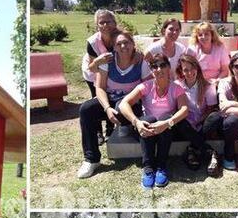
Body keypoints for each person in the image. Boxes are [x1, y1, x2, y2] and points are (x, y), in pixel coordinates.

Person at [77, 30, 151, 179]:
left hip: (131, 103)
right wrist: (107, 108)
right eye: (119, 44)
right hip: (110, 102)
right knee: (86, 109)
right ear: (114, 47)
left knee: (122, 109)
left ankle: (131, 129)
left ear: (133, 44)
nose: (123, 46)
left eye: (127, 42)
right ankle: (92, 159)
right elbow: (100, 87)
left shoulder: (141, 62)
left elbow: (148, 87)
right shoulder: (107, 61)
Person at [118, 53, 189, 189]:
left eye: (162, 65)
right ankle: (148, 168)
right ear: (151, 70)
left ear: (168, 67)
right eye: (154, 66)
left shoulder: (176, 88)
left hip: (166, 129)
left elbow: (184, 109)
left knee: (165, 118)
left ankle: (161, 166)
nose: (158, 69)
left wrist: (167, 123)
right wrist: (136, 122)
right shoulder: (145, 86)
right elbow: (123, 104)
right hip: (148, 128)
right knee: (147, 120)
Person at [174, 54, 221, 172]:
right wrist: (191, 123)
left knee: (215, 117)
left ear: (197, 68)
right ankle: (210, 152)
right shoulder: (177, 85)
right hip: (185, 123)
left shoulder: (207, 85)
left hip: (202, 123)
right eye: (186, 70)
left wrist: (198, 122)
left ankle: (192, 149)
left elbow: (211, 109)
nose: (189, 72)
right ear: (181, 71)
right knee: (178, 122)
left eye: (192, 68)